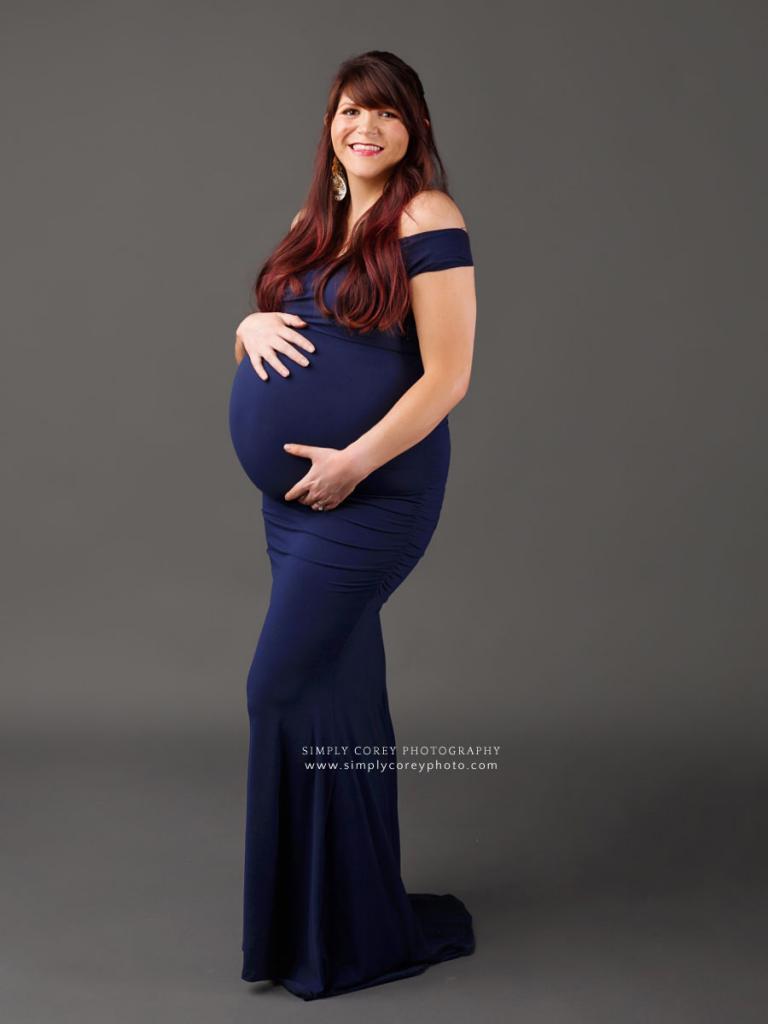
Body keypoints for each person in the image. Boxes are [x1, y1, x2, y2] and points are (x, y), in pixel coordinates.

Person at [228, 49, 477, 1000]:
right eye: (347, 112)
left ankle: (312, 926)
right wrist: (246, 329)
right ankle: (347, 921)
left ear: (412, 127)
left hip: (370, 495)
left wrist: (354, 462)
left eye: (383, 114)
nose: (362, 128)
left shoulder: (429, 218)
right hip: (293, 506)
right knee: (339, 693)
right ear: (329, 124)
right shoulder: (316, 218)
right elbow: (274, 314)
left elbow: (448, 375)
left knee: (277, 688)